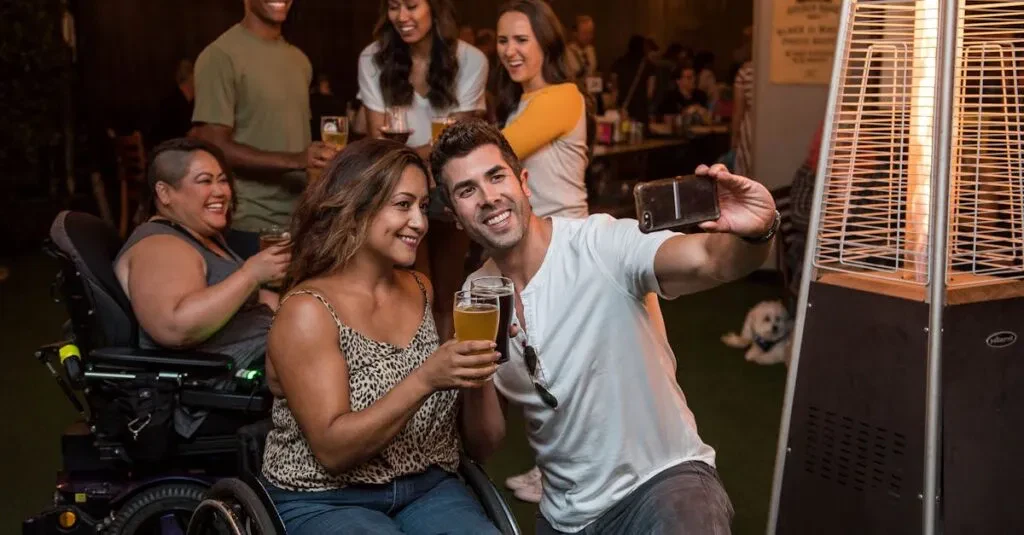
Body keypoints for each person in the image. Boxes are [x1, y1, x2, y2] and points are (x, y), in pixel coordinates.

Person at [432, 120, 779, 534]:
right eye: (467, 190)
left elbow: (711, 260)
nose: (488, 198)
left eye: (496, 176)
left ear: (524, 182)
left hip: (664, 484)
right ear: (455, 216)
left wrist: (758, 231)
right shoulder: (477, 296)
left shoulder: (599, 244)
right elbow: (485, 443)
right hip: (565, 517)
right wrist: (476, 375)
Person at [261, 138, 500, 535]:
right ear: (357, 207)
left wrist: (478, 370)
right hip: (326, 497)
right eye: (403, 205)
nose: (420, 223)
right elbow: (333, 451)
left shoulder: (420, 288)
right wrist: (426, 378)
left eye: (423, 207)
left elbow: (484, 443)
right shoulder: (308, 310)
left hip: (428, 486)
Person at [494, 1, 669, 502]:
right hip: (533, 245)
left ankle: (584, 473)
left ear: (546, 43)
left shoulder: (561, 96)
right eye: (503, 40)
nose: (510, 50)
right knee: (542, 359)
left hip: (567, 242)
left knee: (573, 365)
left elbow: (498, 153)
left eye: (521, 39)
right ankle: (555, 465)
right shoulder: (523, 100)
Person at [114, 138, 290, 437]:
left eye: (222, 180)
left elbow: (258, 301)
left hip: (262, 368)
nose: (221, 191)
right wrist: (250, 273)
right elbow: (174, 326)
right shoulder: (160, 245)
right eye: (204, 181)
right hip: (216, 396)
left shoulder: (202, 237)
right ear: (165, 192)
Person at [356, 0, 488, 340]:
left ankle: (447, 383)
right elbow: (377, 140)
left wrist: (409, 154)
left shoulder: (471, 60)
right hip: (395, 193)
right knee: (412, 291)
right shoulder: (373, 59)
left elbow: (459, 142)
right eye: (393, 6)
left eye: (412, 5)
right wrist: (423, 156)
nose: (402, 17)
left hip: (448, 189)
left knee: (446, 294)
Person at [192, 0, 336, 257]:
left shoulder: (299, 60)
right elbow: (214, 146)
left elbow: (287, 135)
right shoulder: (220, 56)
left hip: (302, 219)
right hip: (251, 224)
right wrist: (298, 159)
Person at [150, 59, 195, 146]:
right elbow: (187, 135)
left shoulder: (177, 99)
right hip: (166, 152)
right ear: (192, 78)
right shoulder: (176, 103)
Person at [565, 15, 597, 80]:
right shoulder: (566, 53)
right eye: (585, 33)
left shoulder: (591, 50)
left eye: (590, 33)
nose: (588, 36)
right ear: (575, 33)